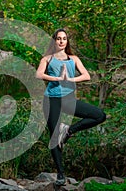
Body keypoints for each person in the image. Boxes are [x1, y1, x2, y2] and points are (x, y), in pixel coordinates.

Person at [35, 28, 106, 186]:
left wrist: (69, 79)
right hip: (51, 100)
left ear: (67, 41)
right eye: (59, 38)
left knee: (99, 115)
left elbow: (86, 75)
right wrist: (56, 78)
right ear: (54, 41)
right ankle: (60, 174)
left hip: (68, 100)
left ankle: (68, 130)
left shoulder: (73, 59)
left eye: (64, 38)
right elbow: (38, 74)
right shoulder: (47, 58)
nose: (61, 41)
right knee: (54, 138)